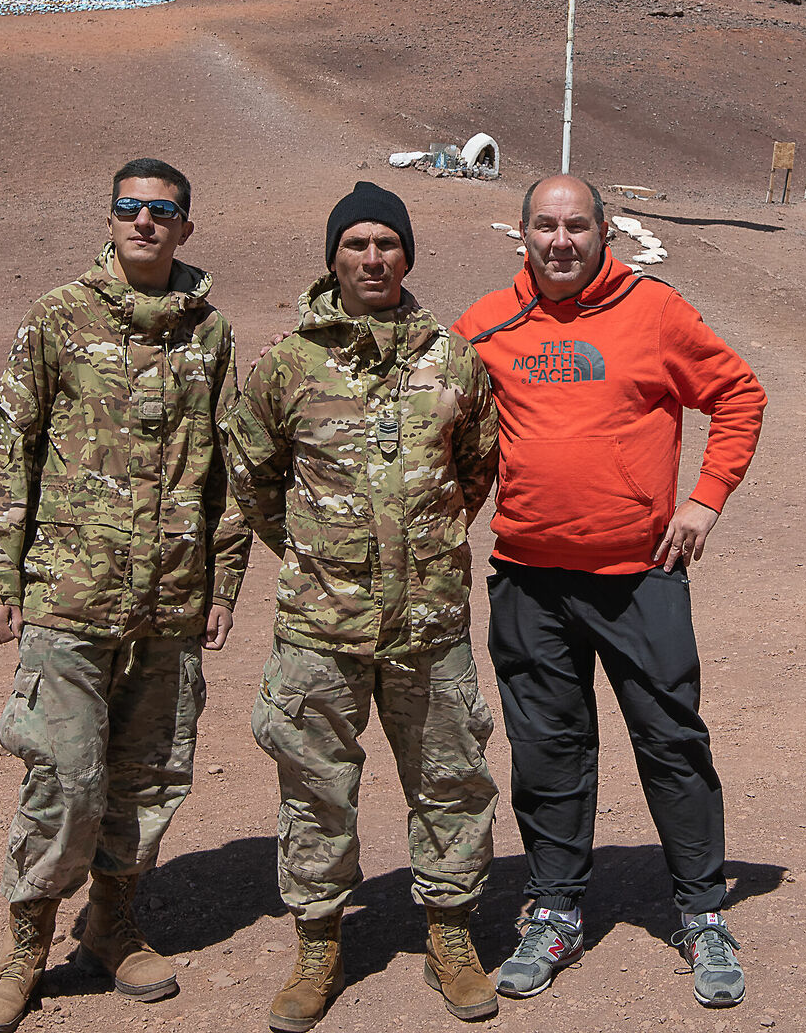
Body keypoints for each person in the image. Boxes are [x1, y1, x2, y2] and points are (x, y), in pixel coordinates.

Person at [455, 176, 766, 1009]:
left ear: (605, 232)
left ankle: (702, 910)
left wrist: (704, 501)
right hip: (529, 580)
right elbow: (430, 419)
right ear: (521, 233)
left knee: (672, 741)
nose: (562, 241)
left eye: (578, 226)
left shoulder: (654, 309)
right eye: (546, 226)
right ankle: (555, 908)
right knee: (547, 748)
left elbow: (737, 394)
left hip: (640, 577)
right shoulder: (484, 325)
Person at [0, 160, 245, 1033]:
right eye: (130, 208)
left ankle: (112, 924)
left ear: (186, 227)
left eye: (163, 211)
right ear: (111, 218)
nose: (145, 222)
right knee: (64, 773)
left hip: (171, 598)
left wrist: (222, 580)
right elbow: (10, 447)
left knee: (150, 773)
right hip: (69, 594)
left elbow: (226, 474)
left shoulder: (211, 333)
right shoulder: (58, 317)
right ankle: (25, 943)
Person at [224, 182, 503, 1031]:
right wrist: (318, 556)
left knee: (452, 779)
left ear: (408, 256)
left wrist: (424, 549)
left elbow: (478, 467)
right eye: (356, 245)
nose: (373, 258)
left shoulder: (452, 358)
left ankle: (450, 936)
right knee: (315, 786)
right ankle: (318, 943)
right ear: (333, 259)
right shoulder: (286, 364)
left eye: (388, 243)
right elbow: (254, 480)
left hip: (429, 626)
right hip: (320, 626)